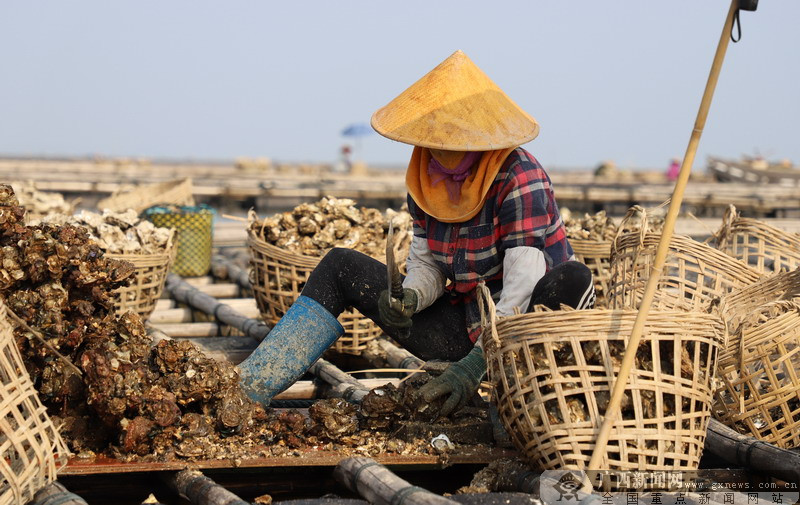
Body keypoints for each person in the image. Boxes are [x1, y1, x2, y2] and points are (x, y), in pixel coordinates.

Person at [238, 50, 595, 415]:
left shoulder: (519, 176)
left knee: (572, 278)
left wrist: (476, 365)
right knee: (339, 266)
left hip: (524, 339)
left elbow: (524, 284)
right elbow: (428, 266)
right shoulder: (425, 178)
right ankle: (247, 390)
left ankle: (516, 405)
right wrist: (410, 297)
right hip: (463, 326)